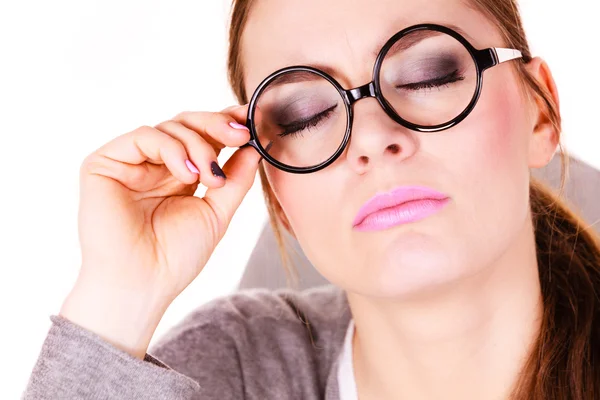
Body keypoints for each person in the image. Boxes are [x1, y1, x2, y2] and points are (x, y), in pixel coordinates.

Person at [23, 0, 600, 399]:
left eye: (427, 75)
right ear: (277, 195)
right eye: (307, 115)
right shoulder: (238, 369)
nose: (373, 136)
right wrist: (118, 296)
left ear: (540, 111)